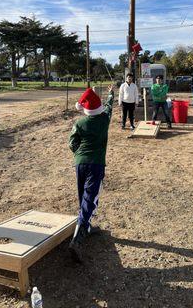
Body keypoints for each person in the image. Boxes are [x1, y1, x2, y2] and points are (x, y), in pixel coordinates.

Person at [69, 85, 114, 262]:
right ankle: (77, 239)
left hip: (80, 162)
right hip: (96, 163)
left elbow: (72, 144)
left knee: (83, 195)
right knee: (91, 196)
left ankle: (85, 225)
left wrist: (80, 153)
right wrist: (111, 94)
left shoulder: (79, 123)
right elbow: (110, 106)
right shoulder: (105, 120)